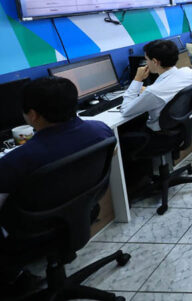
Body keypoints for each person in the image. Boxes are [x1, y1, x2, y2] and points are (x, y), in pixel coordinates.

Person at [0, 77, 114, 294]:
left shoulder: (16, 161)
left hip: (31, 233)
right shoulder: (101, 130)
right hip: (84, 212)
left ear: (33, 115)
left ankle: (15, 278)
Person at [121, 40, 192, 130]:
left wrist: (137, 79)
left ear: (155, 61)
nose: (146, 63)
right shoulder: (188, 72)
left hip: (159, 132)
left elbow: (125, 110)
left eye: (147, 60)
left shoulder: (154, 91)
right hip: (182, 124)